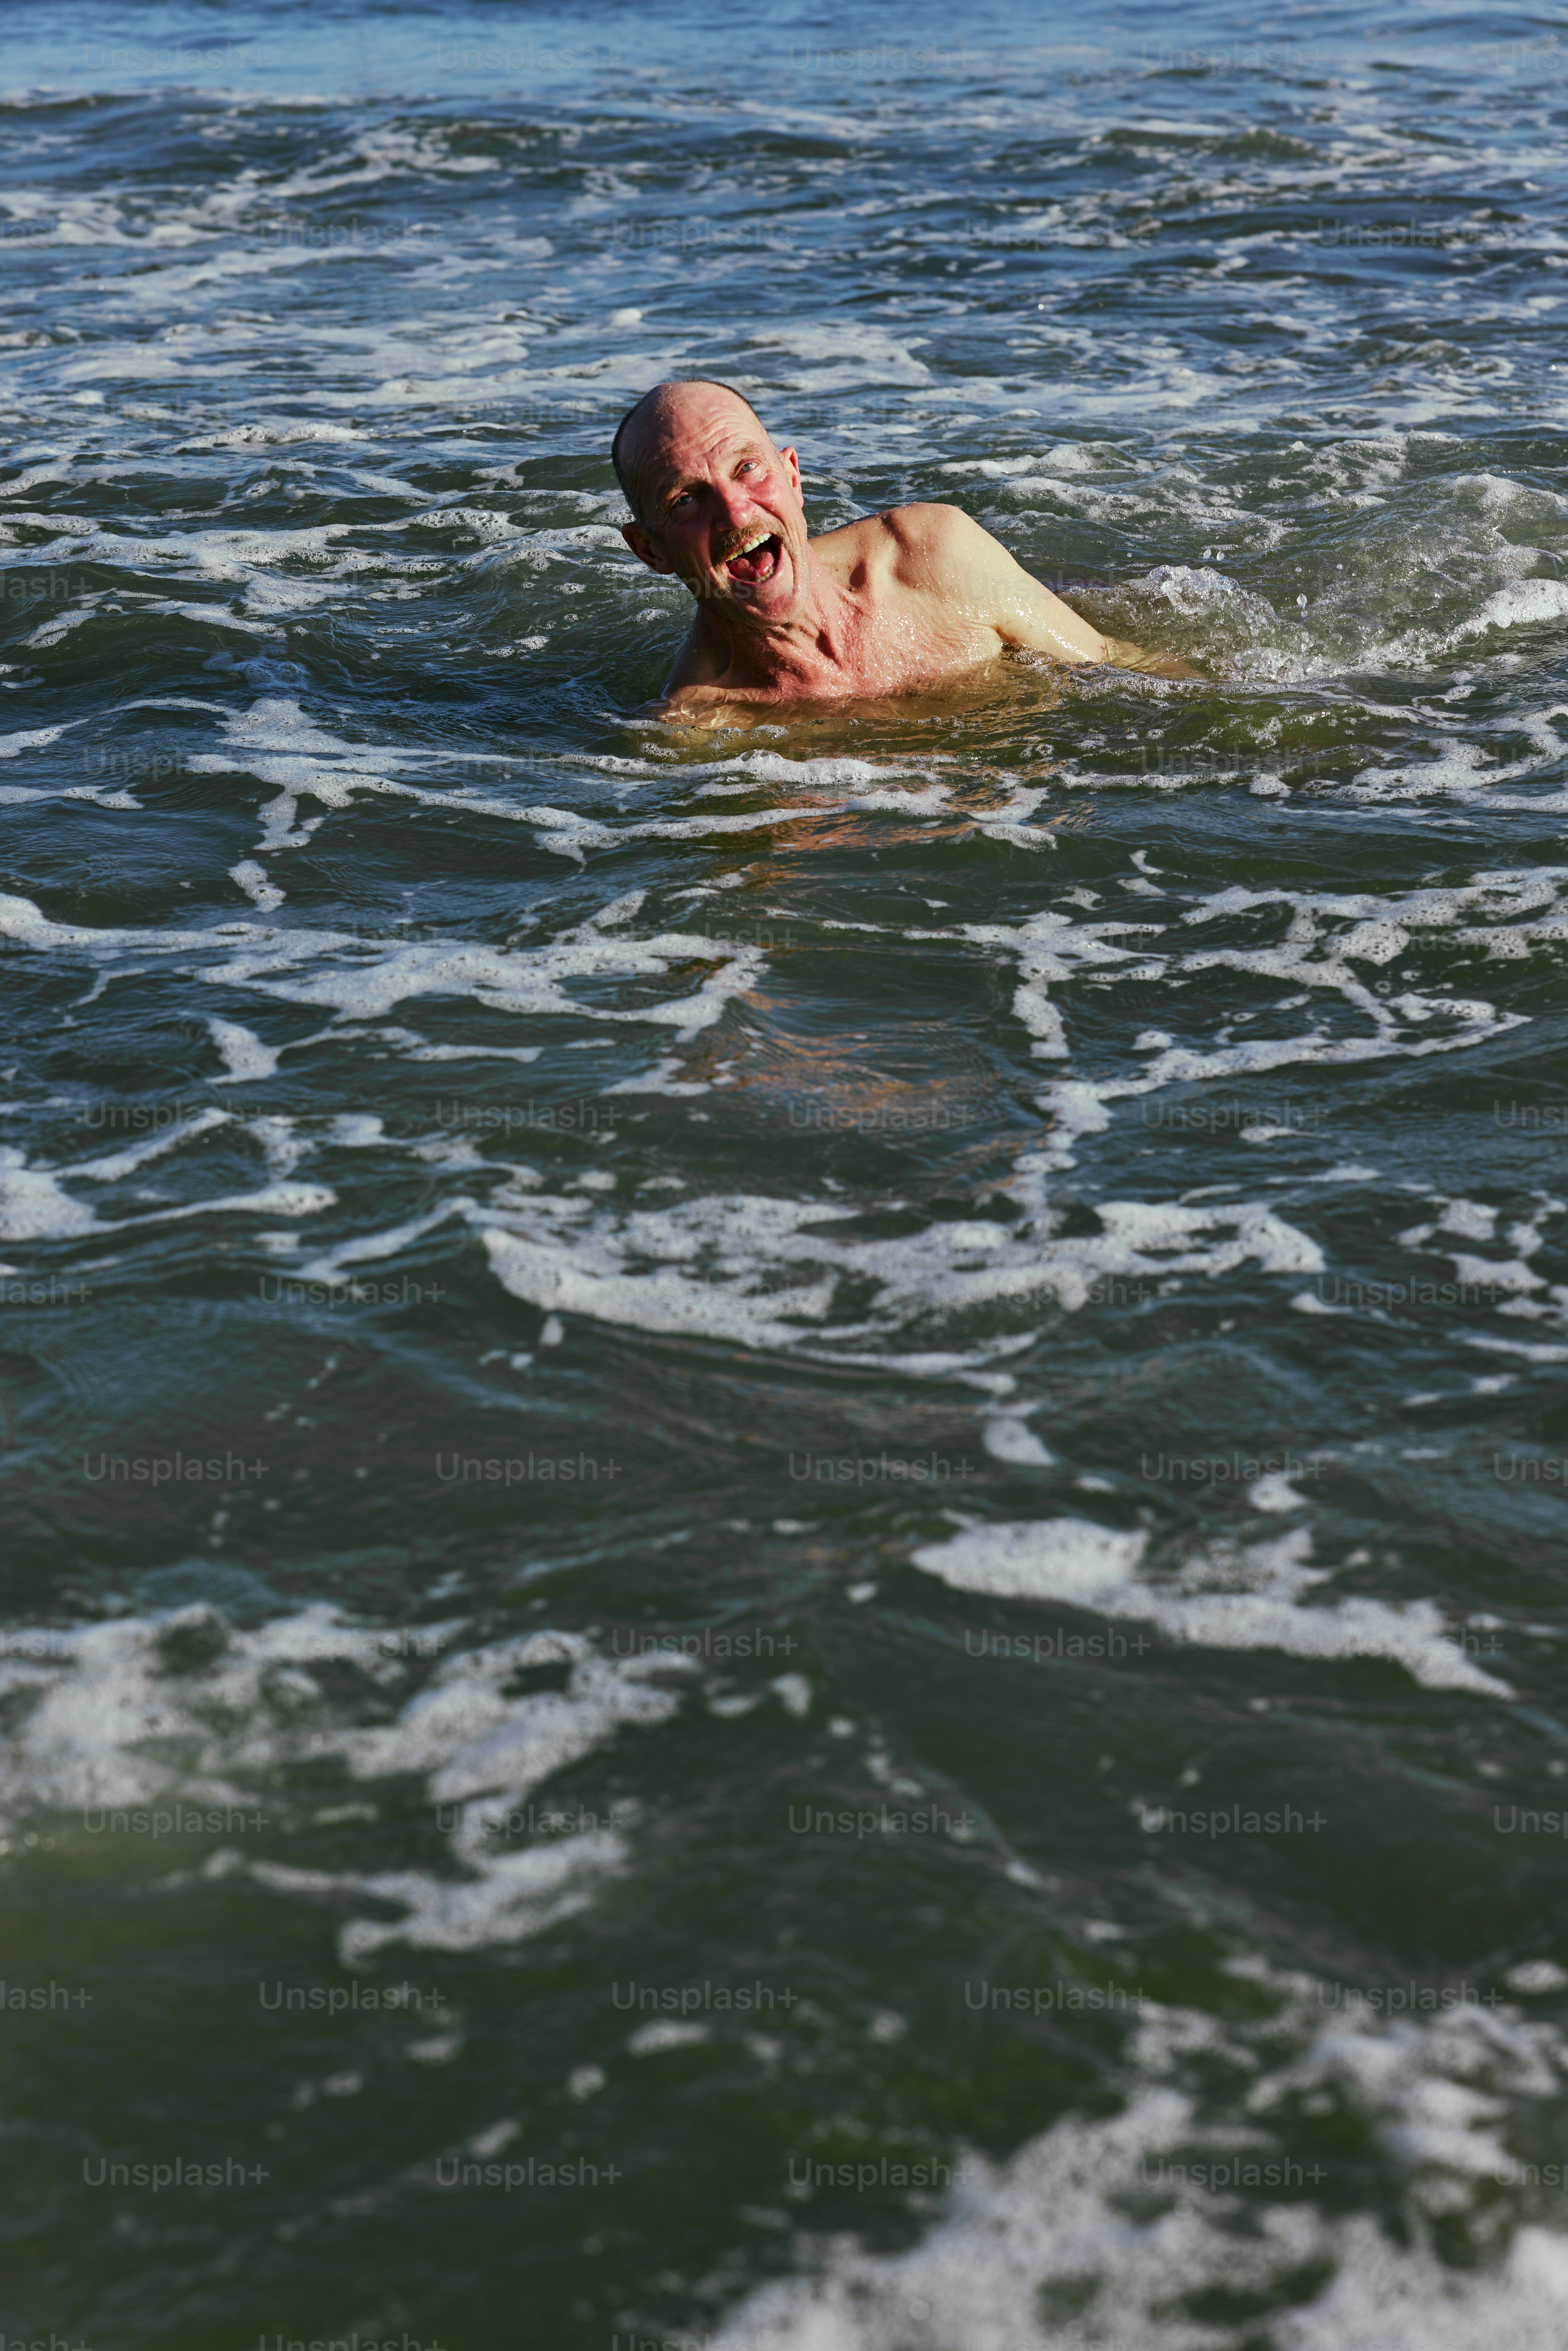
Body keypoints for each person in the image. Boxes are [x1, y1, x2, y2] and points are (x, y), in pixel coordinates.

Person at [612, 378, 1193, 712]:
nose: (735, 511)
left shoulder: (932, 557)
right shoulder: (703, 724)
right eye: (685, 500)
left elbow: (1129, 671)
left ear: (792, 475)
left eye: (748, 468)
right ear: (651, 552)